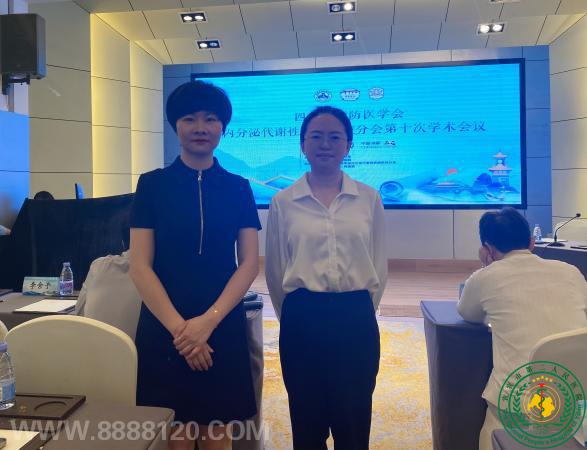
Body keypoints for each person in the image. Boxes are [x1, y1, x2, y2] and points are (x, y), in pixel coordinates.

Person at [130, 80, 261, 450]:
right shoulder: (152, 185)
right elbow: (140, 265)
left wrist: (208, 322)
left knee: (218, 435)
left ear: (223, 127)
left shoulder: (238, 187)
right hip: (165, 325)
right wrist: (183, 332)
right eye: (189, 118)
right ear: (176, 125)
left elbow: (249, 263)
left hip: (221, 322)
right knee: (177, 435)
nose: (200, 127)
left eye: (210, 119)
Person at [265, 106, 387, 450]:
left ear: (348, 145)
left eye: (335, 137)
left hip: (355, 317)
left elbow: (378, 263)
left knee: (354, 418)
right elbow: (275, 269)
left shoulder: (368, 198)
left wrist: (359, 308)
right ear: (302, 144)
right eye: (316, 136)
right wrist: (295, 314)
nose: (325, 144)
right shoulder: (283, 202)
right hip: (302, 318)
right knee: (307, 419)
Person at [457, 208, 587, 450]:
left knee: (490, 435)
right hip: (575, 400)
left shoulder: (485, 277)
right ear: (531, 242)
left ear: (487, 248)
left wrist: (486, 266)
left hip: (518, 405)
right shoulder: (571, 272)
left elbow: (467, 313)